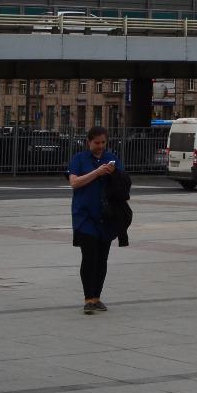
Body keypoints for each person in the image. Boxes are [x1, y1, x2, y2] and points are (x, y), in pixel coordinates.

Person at [67, 126, 120, 314]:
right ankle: (88, 298)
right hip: (84, 216)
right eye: (96, 143)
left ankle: (97, 297)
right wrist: (97, 173)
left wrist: (115, 174)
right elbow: (74, 182)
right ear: (88, 141)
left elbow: (123, 185)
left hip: (105, 217)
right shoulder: (79, 159)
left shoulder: (111, 159)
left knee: (102, 259)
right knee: (89, 257)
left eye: (103, 143)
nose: (100, 146)